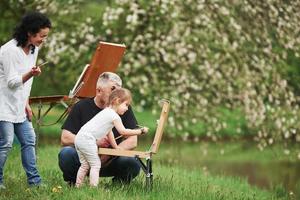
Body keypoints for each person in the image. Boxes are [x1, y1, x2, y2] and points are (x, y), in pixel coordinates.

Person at [58, 72, 142, 186]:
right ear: (98, 91)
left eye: (119, 91)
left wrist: (111, 153)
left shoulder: (123, 108)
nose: (117, 96)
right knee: (66, 154)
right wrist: (92, 143)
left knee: (133, 162)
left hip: (111, 160)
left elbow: (133, 141)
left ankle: (117, 186)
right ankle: (74, 183)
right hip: (84, 158)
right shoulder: (81, 106)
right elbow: (65, 137)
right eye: (113, 90)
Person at [0, 11, 51, 189]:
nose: (43, 40)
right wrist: (31, 73)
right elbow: (12, 82)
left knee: (29, 140)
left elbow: (26, 85)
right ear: (30, 32)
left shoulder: (33, 49)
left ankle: (35, 182)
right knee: (5, 143)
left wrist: (26, 103)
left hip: (19, 105)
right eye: (42, 36)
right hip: (3, 104)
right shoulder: (9, 51)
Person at [75, 88, 148, 187]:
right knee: (96, 164)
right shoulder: (114, 116)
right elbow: (123, 132)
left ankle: (78, 185)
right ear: (117, 101)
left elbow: (109, 133)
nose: (127, 108)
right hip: (88, 139)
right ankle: (93, 188)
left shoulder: (106, 112)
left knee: (84, 165)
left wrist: (115, 147)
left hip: (79, 138)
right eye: (126, 105)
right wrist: (141, 131)